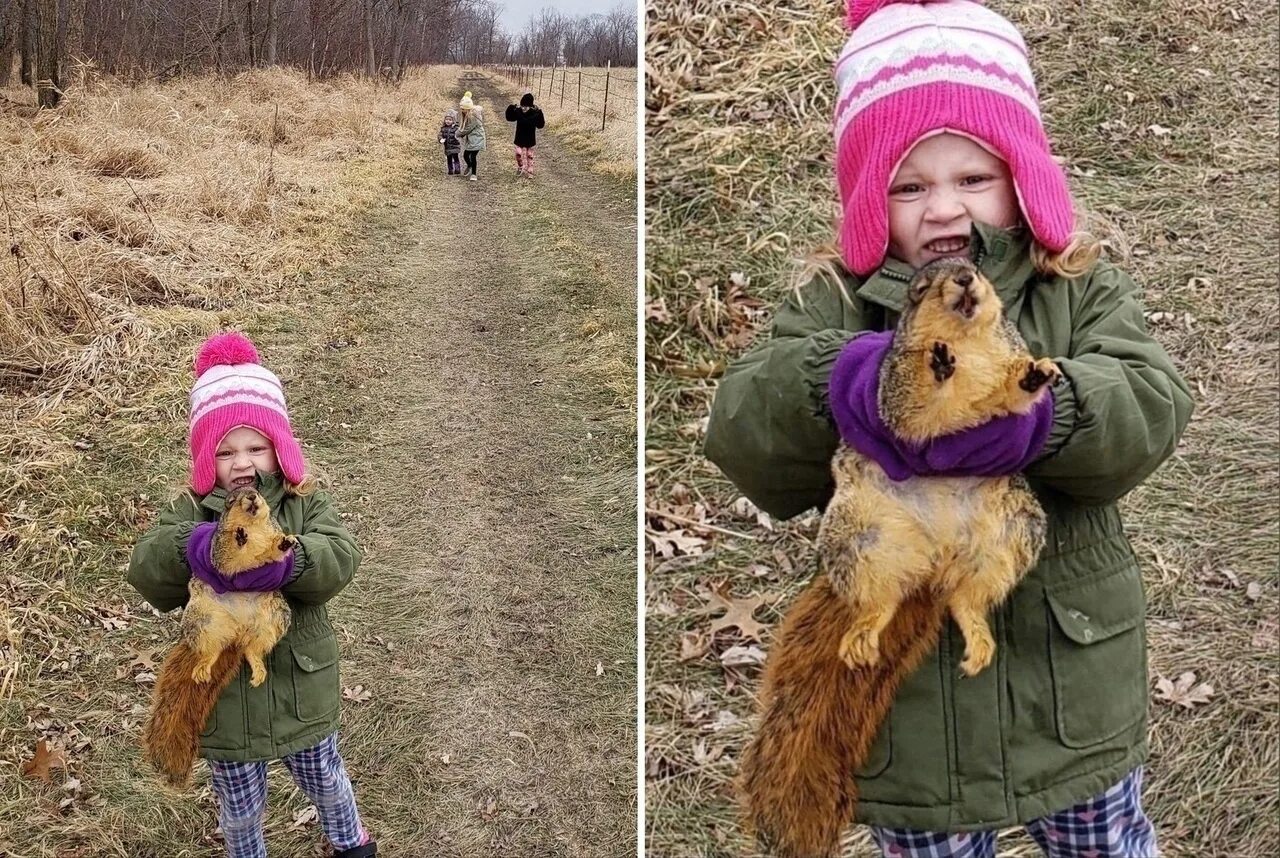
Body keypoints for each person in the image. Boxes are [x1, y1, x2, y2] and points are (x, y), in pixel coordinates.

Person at [704, 1, 1194, 856]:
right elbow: (746, 431)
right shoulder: (836, 302)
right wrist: (838, 382)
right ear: (867, 197)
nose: (943, 211)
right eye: (908, 185)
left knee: (1108, 842)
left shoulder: (1076, 289)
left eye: (972, 178)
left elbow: (1148, 402)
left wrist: (1048, 416)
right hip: (909, 713)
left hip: (1068, 680)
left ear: (1021, 175)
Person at [128, 331, 376, 858]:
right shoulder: (189, 511)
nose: (242, 462)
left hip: (298, 689)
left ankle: (351, 844)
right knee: (239, 811)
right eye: (225, 451)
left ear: (278, 448)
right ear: (206, 459)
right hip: (225, 701)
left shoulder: (303, 505)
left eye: (255, 447)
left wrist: (292, 561)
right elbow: (146, 568)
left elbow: (340, 557)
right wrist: (191, 548)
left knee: (327, 779)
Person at [504, 92, 546, 178]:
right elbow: (509, 118)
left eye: (525, 107)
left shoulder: (535, 114)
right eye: (522, 106)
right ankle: (520, 166)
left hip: (530, 139)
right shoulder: (519, 112)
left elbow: (540, 125)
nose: (523, 108)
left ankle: (530, 170)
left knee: (529, 155)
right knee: (518, 153)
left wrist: (540, 113)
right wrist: (511, 107)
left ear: (530, 106)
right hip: (519, 138)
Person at [457, 91, 486, 182]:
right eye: (461, 109)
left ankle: (474, 174)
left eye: (463, 109)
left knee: (473, 156)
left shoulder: (473, 116)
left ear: (468, 109)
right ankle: (469, 165)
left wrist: (459, 133)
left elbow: (468, 128)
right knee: (465, 155)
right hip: (471, 139)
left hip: (478, 138)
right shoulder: (467, 115)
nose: (462, 111)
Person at [440, 108, 461, 175]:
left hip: (455, 145)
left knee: (456, 158)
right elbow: (440, 134)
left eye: (450, 120)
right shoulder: (443, 128)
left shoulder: (456, 128)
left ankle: (457, 169)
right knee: (449, 159)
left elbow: (459, 134)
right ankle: (450, 170)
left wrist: (458, 137)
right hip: (448, 146)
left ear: (453, 121)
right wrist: (441, 139)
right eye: (446, 119)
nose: (448, 121)